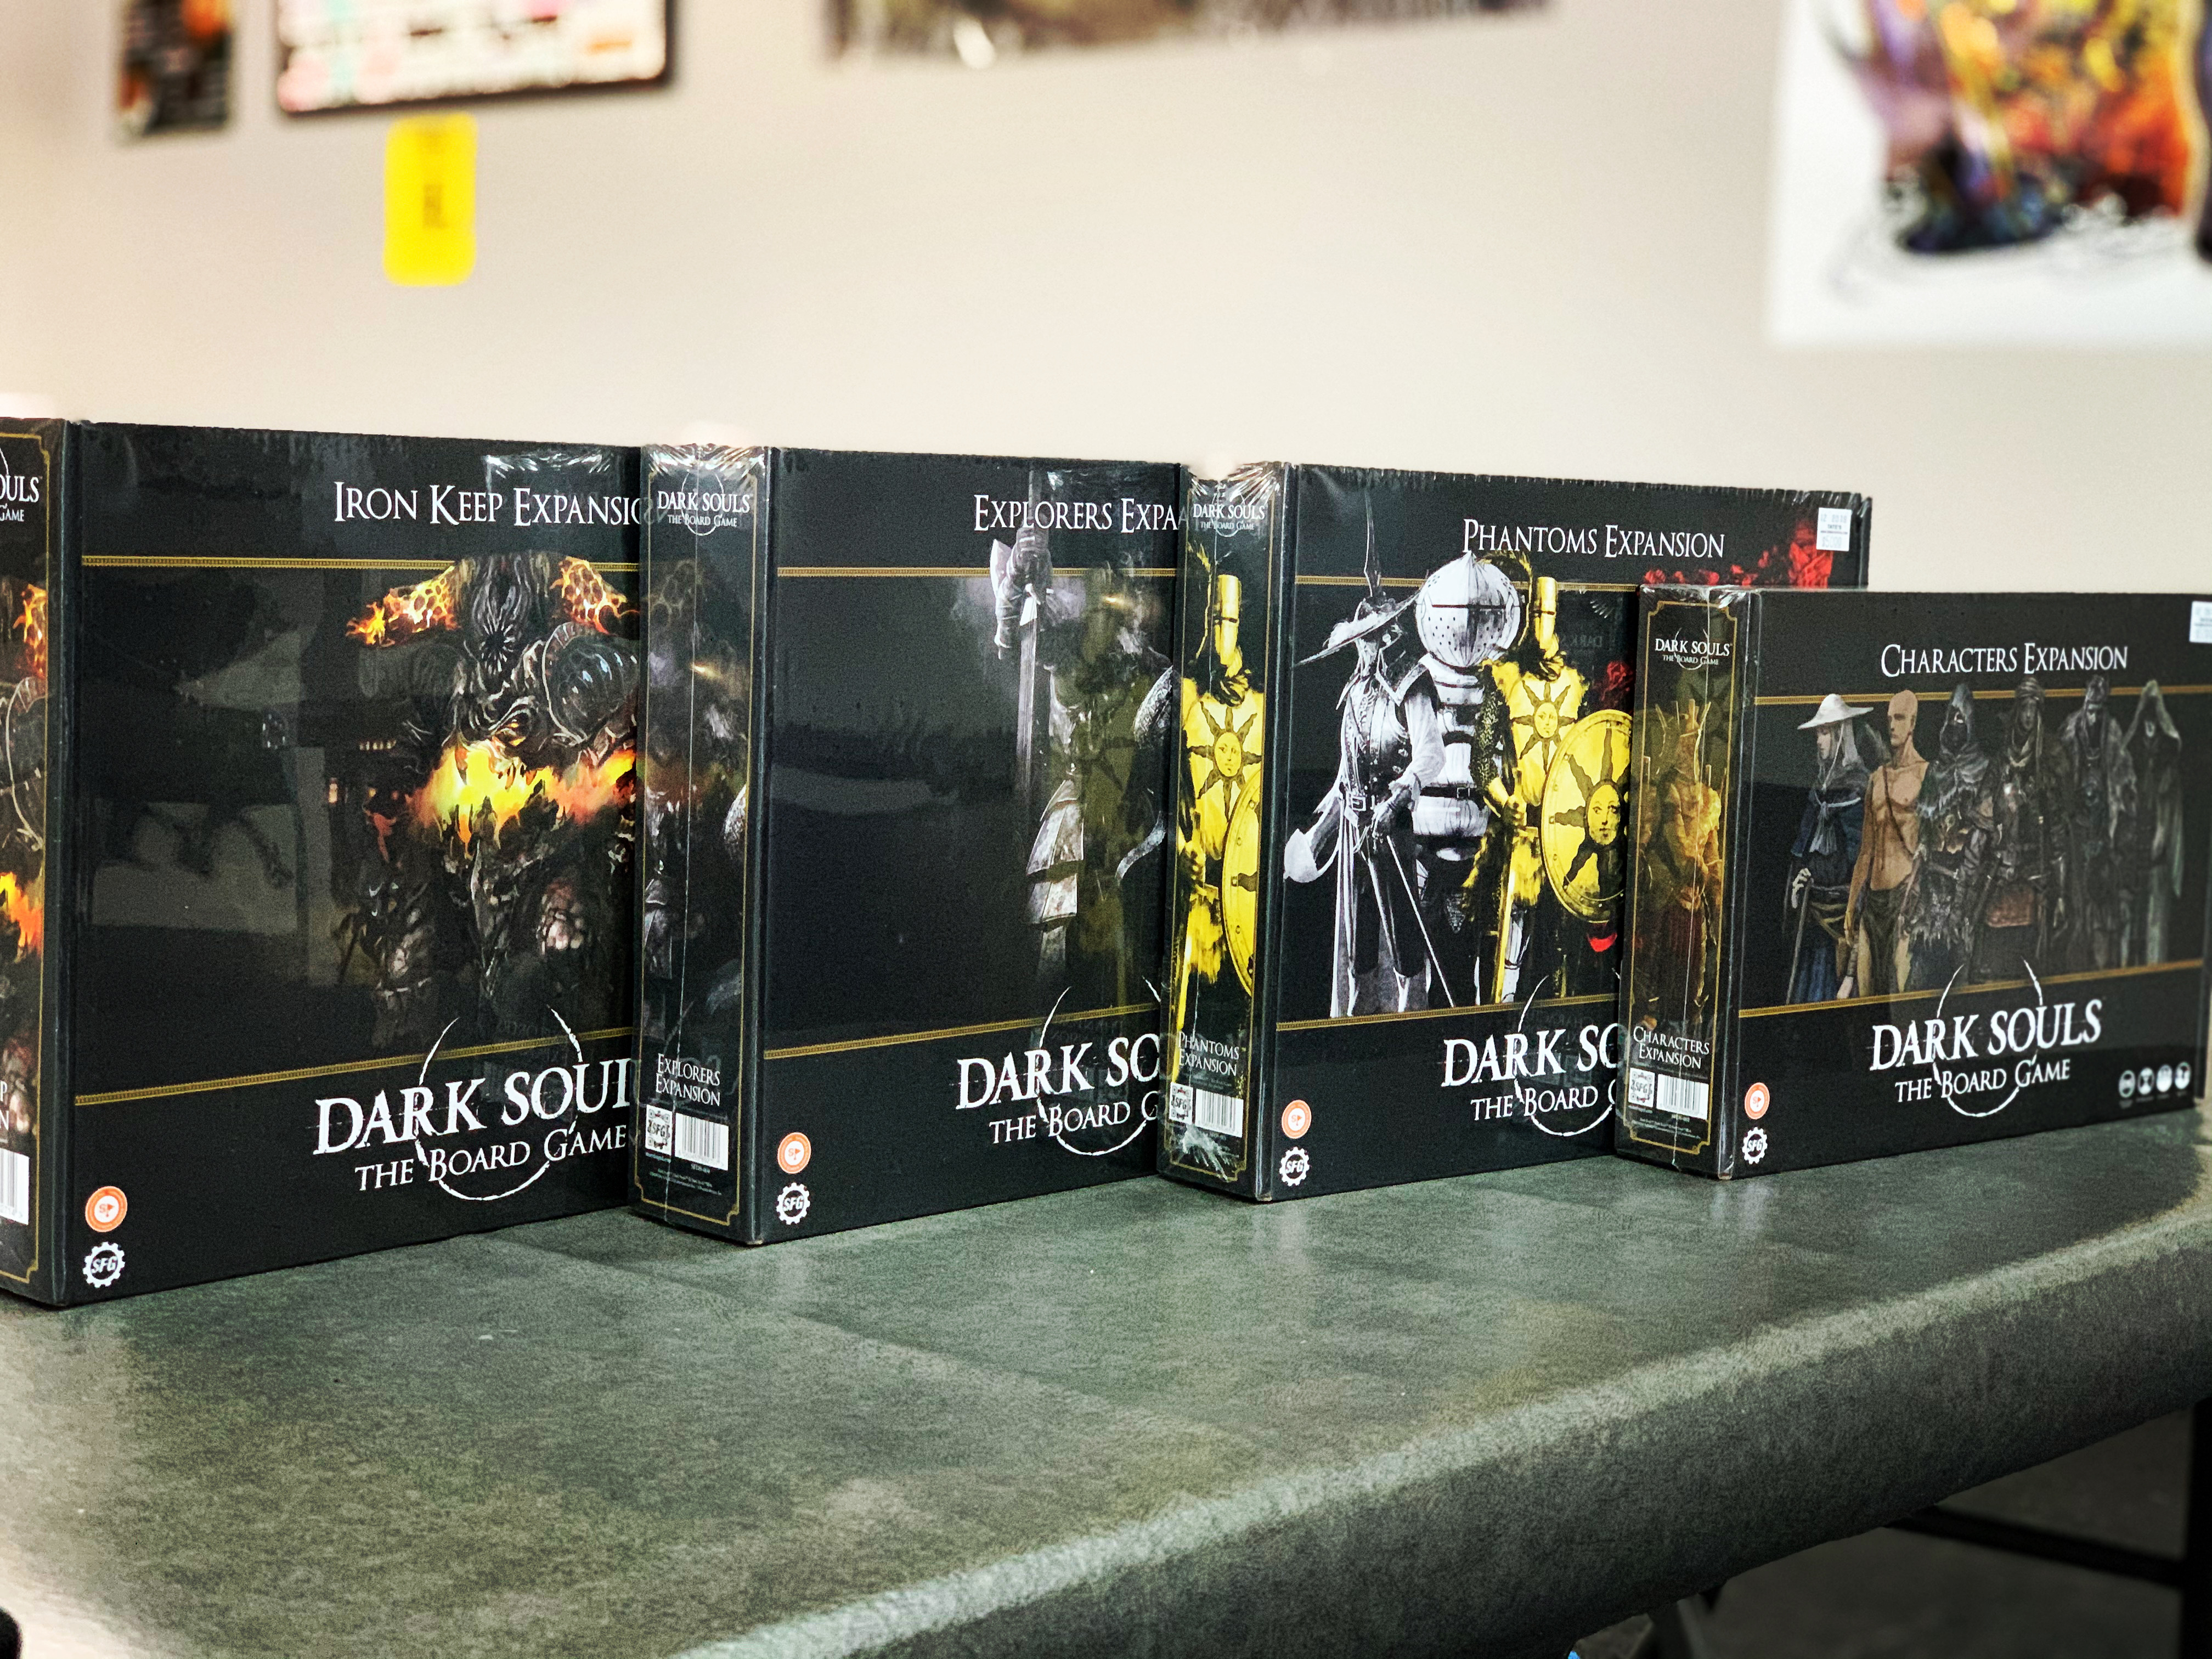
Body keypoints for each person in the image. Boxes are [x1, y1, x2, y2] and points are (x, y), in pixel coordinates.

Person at [1285, 542, 1444, 1015]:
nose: (1368, 646)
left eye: (1375, 636)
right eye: (1362, 638)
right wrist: (1323, 828)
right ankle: (1359, 1017)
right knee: (1360, 936)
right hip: (1355, 827)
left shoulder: (1411, 685)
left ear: (1391, 634)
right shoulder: (1354, 694)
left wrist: (1395, 804)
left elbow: (1431, 755)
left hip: (1392, 827)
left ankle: (1410, 1015)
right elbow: (1345, 771)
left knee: (1403, 934)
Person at [1781, 692, 1871, 1003]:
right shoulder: (1820, 786)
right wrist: (1799, 879)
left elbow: (1858, 859)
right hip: (1813, 913)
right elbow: (1802, 847)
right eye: (1818, 734)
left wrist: (1821, 876)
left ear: (1840, 735)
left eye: (1824, 733)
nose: (1819, 741)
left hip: (1841, 918)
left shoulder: (1857, 786)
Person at [1904, 684, 1991, 991]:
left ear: (1970, 725)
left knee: (1959, 982)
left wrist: (1965, 895)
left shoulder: (1983, 771)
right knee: (1919, 981)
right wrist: (1916, 879)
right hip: (1931, 889)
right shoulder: (1935, 771)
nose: (1954, 725)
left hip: (1965, 888)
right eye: (1950, 718)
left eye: (1960, 719)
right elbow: (1925, 834)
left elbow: (1982, 840)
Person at [1842, 687, 1925, 997]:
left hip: (1904, 898)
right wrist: (1852, 903)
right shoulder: (1877, 778)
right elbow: (1866, 849)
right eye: (1890, 719)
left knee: (1900, 995)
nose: (1892, 726)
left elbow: (1929, 848)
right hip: (1873, 901)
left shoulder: (1925, 775)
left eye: (1899, 718)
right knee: (1866, 997)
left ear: (1913, 722)